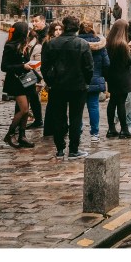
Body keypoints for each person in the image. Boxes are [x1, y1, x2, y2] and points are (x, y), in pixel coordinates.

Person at [42, 15, 94, 159]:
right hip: (78, 86)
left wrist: (50, 81)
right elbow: (89, 67)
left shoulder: (52, 44)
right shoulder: (82, 44)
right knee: (76, 118)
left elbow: (45, 67)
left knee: (59, 117)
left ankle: (59, 149)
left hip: (58, 86)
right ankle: (73, 149)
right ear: (77, 28)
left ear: (64, 27)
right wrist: (86, 82)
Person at [0, 21, 36, 149]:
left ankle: (22, 136)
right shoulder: (10, 47)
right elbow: (4, 67)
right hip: (16, 82)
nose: (28, 32)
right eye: (26, 30)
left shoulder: (24, 45)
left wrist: (31, 65)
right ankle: (10, 134)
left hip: (27, 80)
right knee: (24, 109)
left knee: (26, 111)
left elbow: (25, 62)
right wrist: (22, 66)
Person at [79, 19, 109, 143]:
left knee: (78, 108)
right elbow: (107, 63)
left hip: (79, 80)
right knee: (94, 106)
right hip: (95, 78)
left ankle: (78, 130)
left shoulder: (76, 42)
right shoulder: (100, 44)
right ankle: (95, 133)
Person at [104, 20, 131, 139]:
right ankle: (124, 129)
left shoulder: (108, 43)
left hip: (112, 76)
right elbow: (129, 61)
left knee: (112, 102)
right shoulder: (122, 44)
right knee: (121, 103)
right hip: (123, 77)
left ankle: (111, 128)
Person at [23, 23, 47, 130]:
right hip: (32, 76)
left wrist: (38, 82)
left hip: (34, 77)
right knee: (32, 98)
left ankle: (36, 120)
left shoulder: (37, 47)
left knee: (32, 98)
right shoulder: (29, 46)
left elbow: (38, 65)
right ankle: (36, 119)